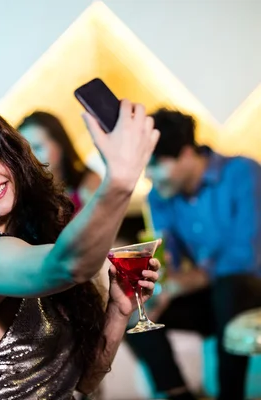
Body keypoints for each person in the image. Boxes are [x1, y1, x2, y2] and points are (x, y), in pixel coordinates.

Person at [0, 101, 161, 398]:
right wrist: (119, 180)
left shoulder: (32, 236)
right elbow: (69, 265)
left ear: (14, 154)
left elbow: (81, 386)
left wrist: (119, 309)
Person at [126, 108, 261, 400]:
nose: (149, 176)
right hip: (211, 298)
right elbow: (169, 257)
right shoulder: (160, 195)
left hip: (250, 290)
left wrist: (182, 283)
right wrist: (161, 280)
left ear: (187, 153)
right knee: (133, 310)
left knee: (232, 286)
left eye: (156, 164)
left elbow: (246, 257)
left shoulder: (242, 173)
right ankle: (179, 394)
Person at [17, 111, 101, 212]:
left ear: (59, 144)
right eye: (25, 153)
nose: (32, 158)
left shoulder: (88, 184)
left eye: (37, 147)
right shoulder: (26, 204)